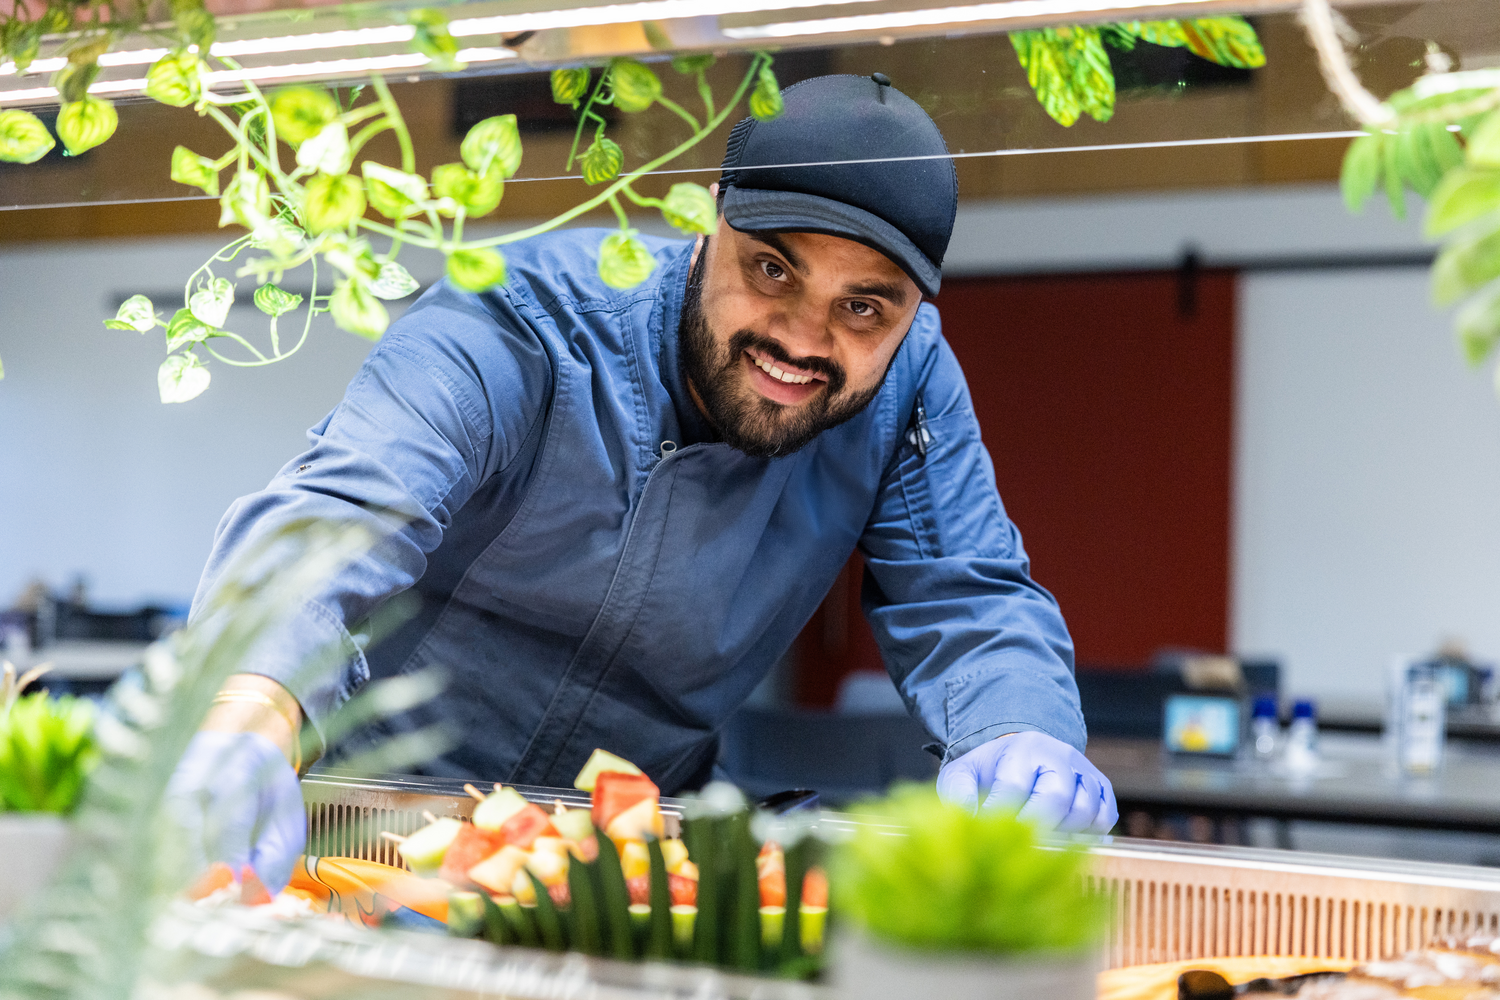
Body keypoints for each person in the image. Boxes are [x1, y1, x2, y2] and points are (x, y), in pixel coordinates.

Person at [166, 72, 1118, 893]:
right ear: (710, 223)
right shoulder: (525, 317)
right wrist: (246, 708)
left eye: (862, 307)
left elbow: (969, 591)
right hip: (361, 831)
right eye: (772, 268)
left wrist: (1018, 726)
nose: (800, 335)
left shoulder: (909, 379)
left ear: (909, 315)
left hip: (623, 865)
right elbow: (342, 510)